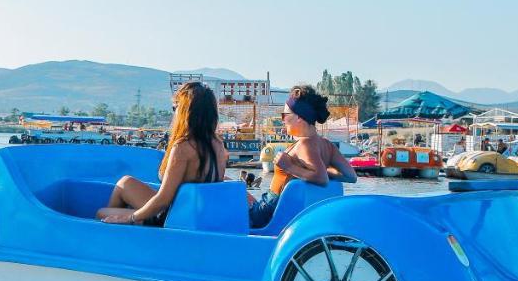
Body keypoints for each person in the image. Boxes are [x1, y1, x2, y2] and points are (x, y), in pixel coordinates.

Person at [97, 82, 228, 225]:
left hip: (172, 217)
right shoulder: (219, 146)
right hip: (195, 214)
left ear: (185, 111)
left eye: (175, 107)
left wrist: (131, 217)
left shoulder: (183, 147)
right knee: (125, 182)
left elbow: (163, 200)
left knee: (102, 213)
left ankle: (114, 234)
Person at [249, 85, 357, 228]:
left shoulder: (305, 144)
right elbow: (351, 176)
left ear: (299, 117)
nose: (282, 120)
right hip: (288, 212)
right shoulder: (327, 145)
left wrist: (290, 167)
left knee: (232, 195)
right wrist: (324, 170)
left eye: (284, 115)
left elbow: (321, 179)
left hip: (269, 212)